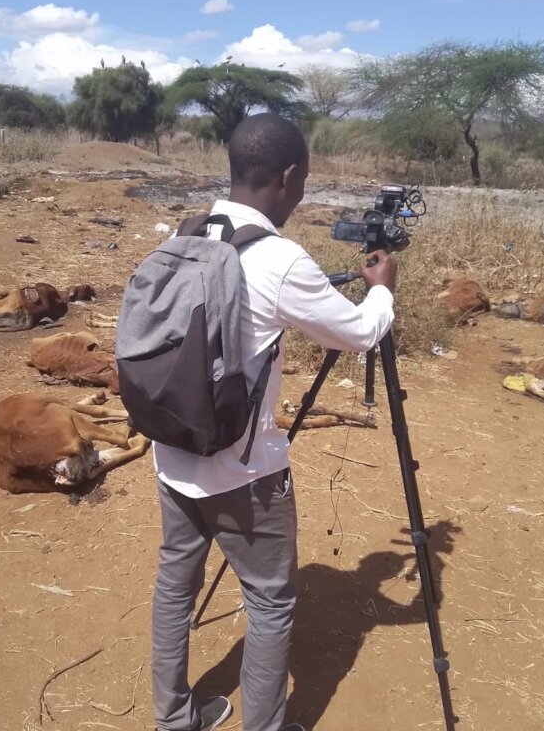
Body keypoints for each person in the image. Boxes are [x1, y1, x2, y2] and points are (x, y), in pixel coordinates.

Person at [150, 112, 398, 731]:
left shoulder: (186, 232)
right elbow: (362, 333)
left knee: (174, 584)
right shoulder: (281, 260)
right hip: (245, 472)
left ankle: (173, 718)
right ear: (289, 177)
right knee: (270, 603)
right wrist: (383, 287)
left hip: (173, 452)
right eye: (306, 179)